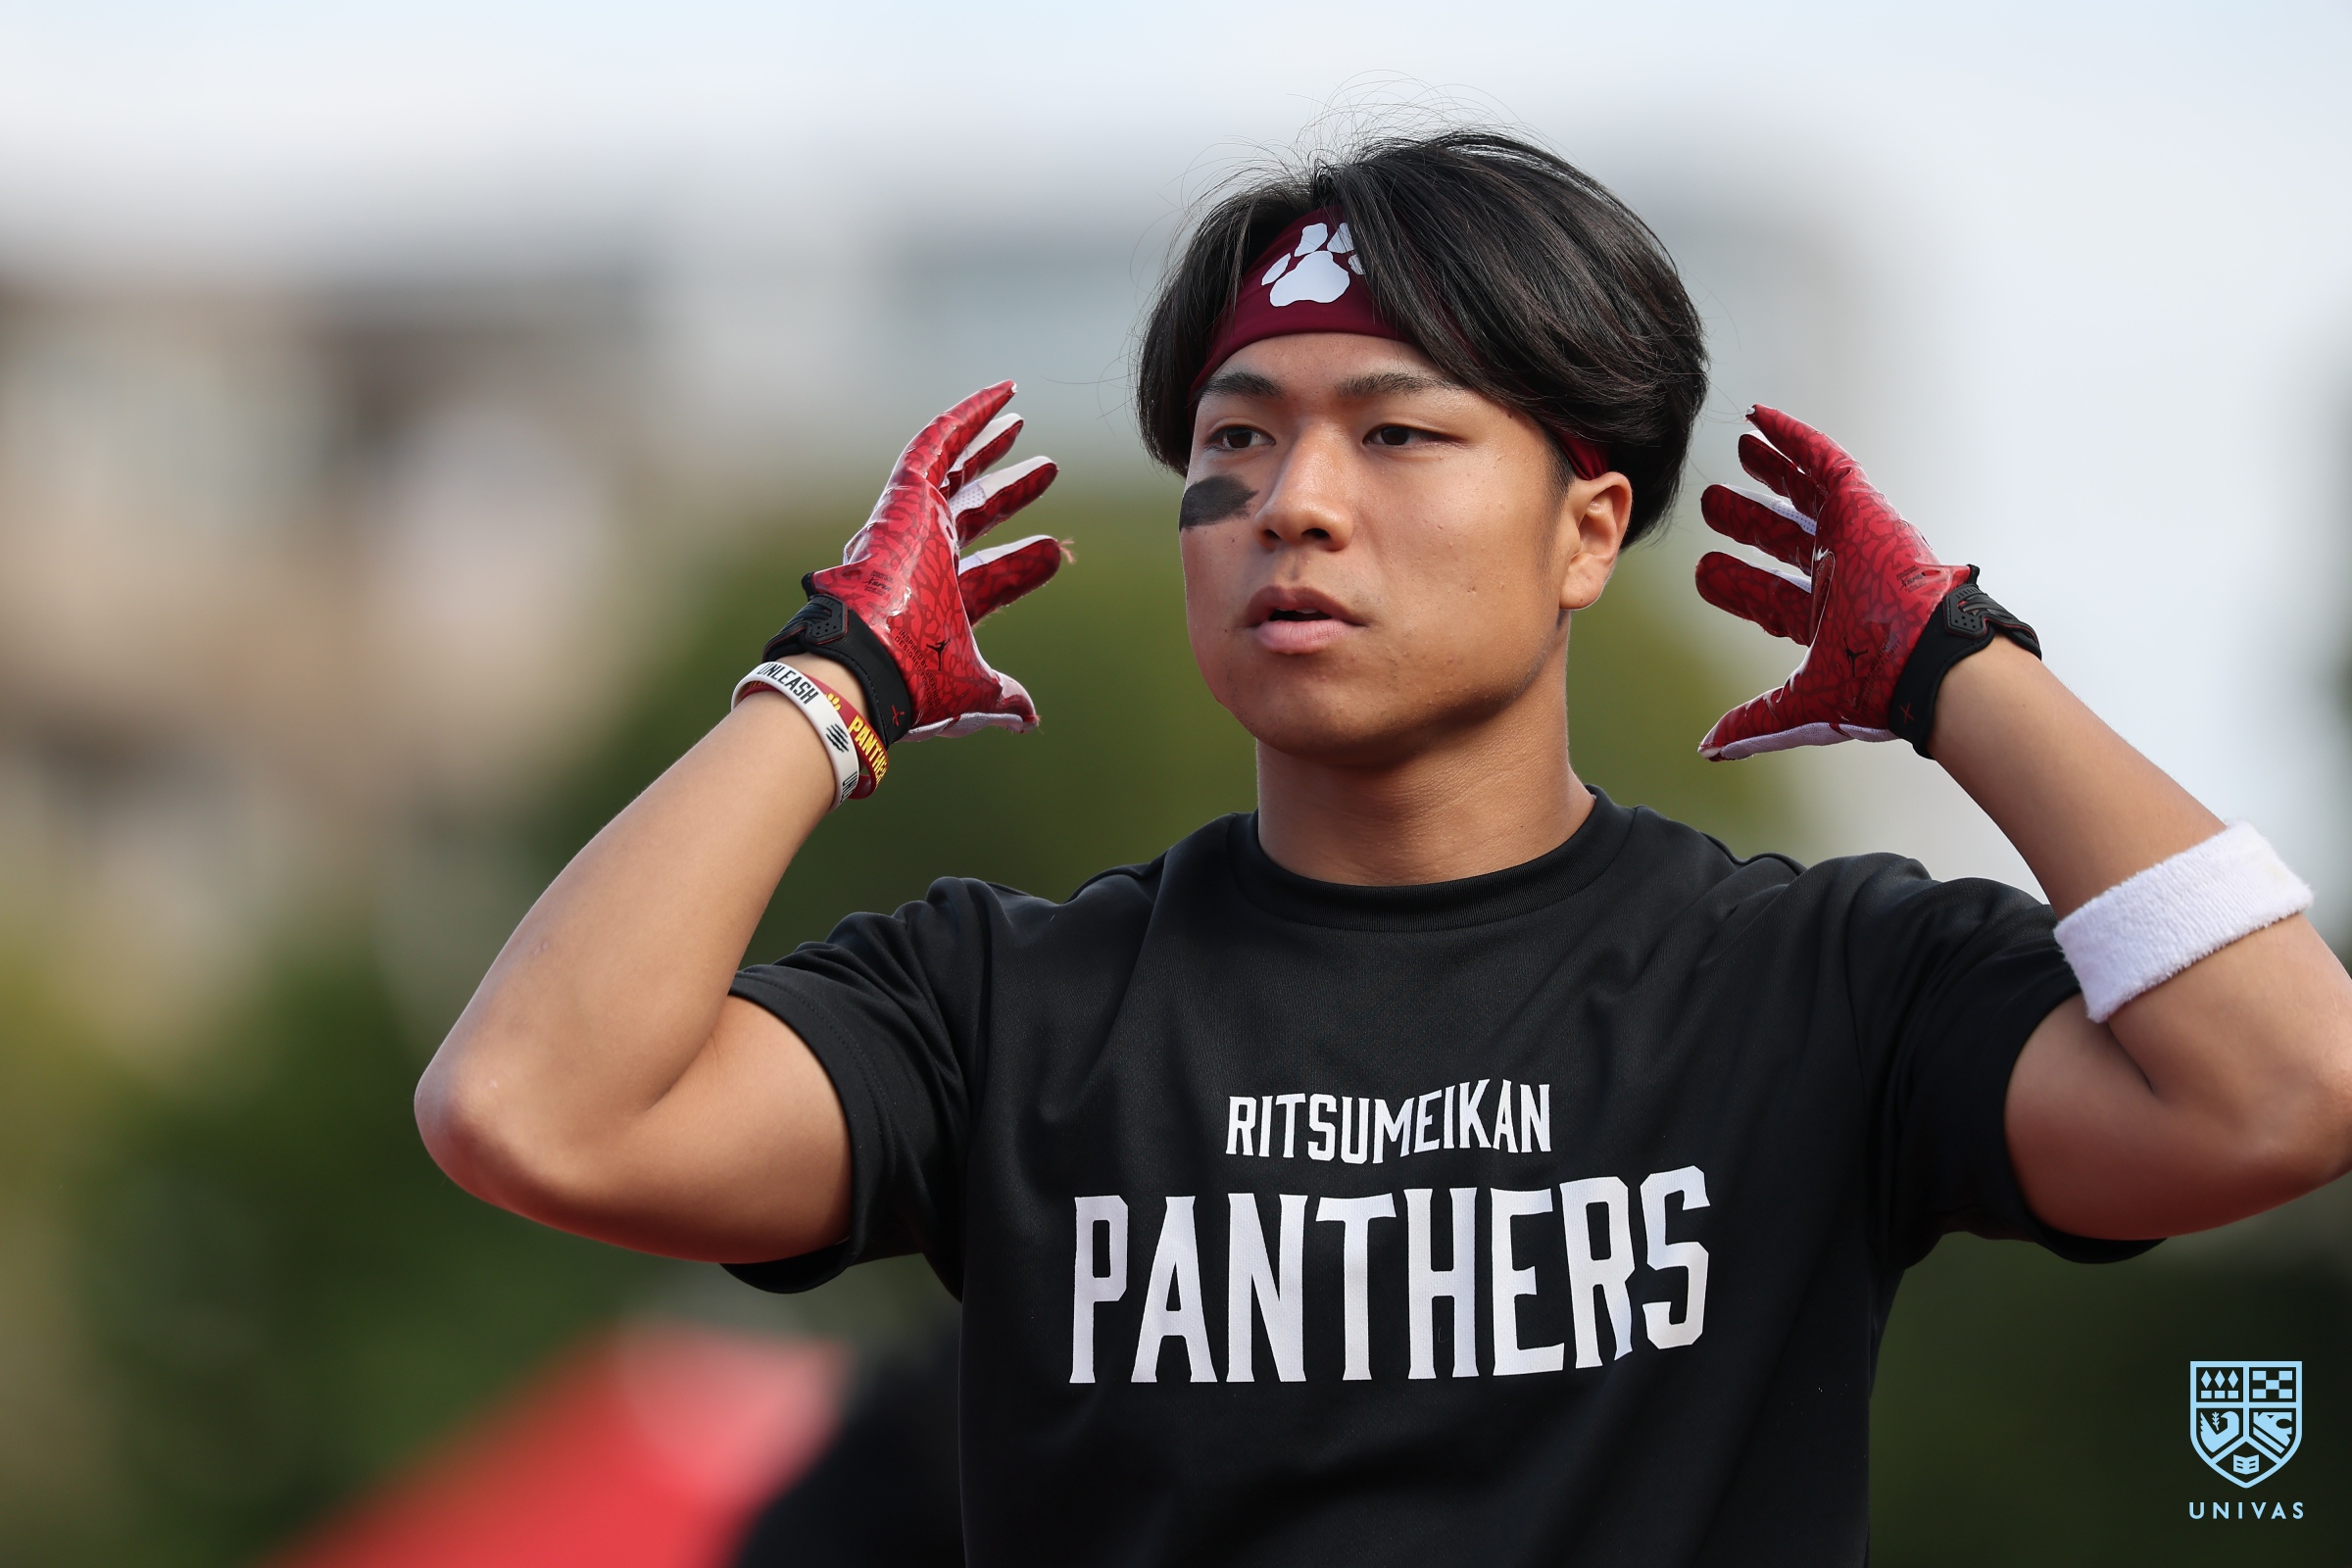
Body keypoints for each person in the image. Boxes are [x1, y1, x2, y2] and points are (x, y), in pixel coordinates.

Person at [415, 129, 2352, 1564]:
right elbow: (530, 1110)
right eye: (1235, 441)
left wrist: (1957, 667)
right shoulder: (1005, 1010)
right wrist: (830, 682)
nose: (1293, 503)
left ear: (1590, 529)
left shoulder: (1818, 985)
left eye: (1397, 434)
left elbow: (2284, 1085)